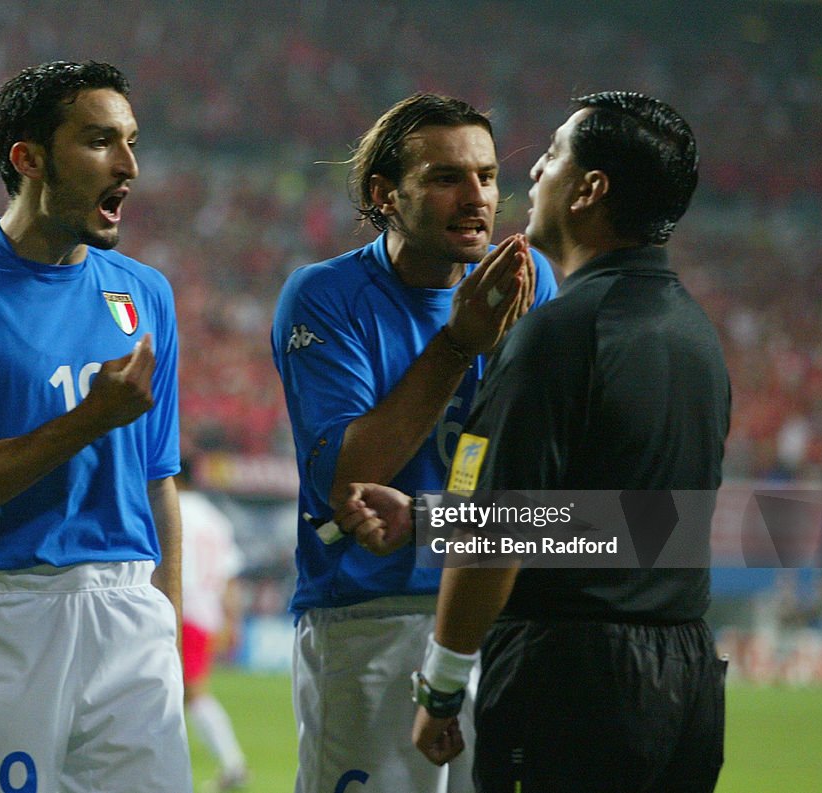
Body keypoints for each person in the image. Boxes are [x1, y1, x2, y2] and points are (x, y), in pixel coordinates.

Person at [339, 92, 731, 792]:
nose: (534, 173)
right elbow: (635, 527)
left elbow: (499, 535)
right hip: (686, 682)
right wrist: (427, 519)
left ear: (589, 190)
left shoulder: (558, 332)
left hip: (571, 680)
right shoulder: (695, 337)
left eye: (551, 155)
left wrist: (441, 684)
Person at [0, 61, 190, 793]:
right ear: (29, 158)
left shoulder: (145, 293)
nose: (130, 166)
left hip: (129, 616)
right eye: (100, 141)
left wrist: (165, 627)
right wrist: (86, 420)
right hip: (1, 612)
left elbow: (158, 481)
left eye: (132, 142)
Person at [271, 92, 557, 793]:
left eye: (488, 177)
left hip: (500, 614)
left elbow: (545, 471)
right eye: (446, 177)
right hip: (370, 619)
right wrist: (458, 343)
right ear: (385, 195)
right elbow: (348, 477)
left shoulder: (530, 280)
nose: (476, 198)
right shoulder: (324, 296)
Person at [178, 464, 249, 791]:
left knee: (191, 692)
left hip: (181, 610)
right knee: (180, 693)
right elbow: (230, 575)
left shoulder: (171, 507)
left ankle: (232, 764)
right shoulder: (215, 518)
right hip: (206, 612)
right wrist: (232, 621)